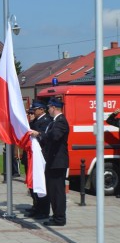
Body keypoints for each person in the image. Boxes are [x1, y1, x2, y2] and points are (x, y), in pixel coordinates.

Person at [42, 97, 69, 227]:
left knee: (57, 191)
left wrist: (42, 134)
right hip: (52, 162)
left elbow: (55, 136)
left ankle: (60, 218)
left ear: (54, 107)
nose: (48, 110)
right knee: (52, 190)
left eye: (49, 108)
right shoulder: (54, 122)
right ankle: (56, 215)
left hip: (58, 163)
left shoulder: (61, 121)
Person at [25, 100, 52, 219]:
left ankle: (43, 210)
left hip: (40, 156)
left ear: (42, 109)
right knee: (33, 185)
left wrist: (37, 133)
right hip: (32, 156)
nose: (33, 112)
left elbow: (44, 137)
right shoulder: (36, 120)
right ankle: (36, 206)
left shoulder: (46, 121)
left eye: (35, 110)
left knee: (40, 184)